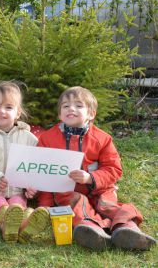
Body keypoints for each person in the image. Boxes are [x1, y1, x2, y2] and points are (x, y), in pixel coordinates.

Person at [37, 86, 156, 251]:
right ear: (59, 114)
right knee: (76, 203)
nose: (71, 108)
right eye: (66, 106)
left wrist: (90, 178)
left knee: (107, 204)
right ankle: (91, 230)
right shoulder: (47, 139)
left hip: (99, 188)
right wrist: (45, 205)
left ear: (91, 114)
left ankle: (126, 228)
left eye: (79, 105)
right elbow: (42, 173)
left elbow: (113, 168)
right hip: (69, 192)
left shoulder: (102, 139)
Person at [0, 81, 50, 243]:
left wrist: (32, 185)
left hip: (16, 189)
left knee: (17, 206)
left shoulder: (28, 138)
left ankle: (24, 225)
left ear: (18, 112)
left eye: (8, 107)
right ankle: (7, 226)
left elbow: (35, 165)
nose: (1, 111)